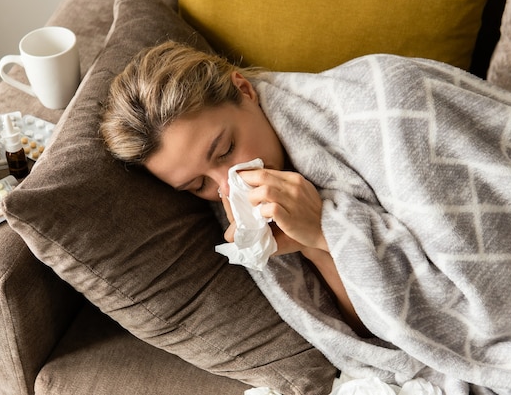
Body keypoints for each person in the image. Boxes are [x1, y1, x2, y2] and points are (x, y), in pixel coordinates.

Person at [100, 40, 370, 336]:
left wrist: (325, 228)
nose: (228, 187)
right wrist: (315, 244)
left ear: (244, 90)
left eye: (226, 150)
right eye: (199, 184)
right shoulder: (243, 208)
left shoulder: (369, 104)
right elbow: (377, 333)